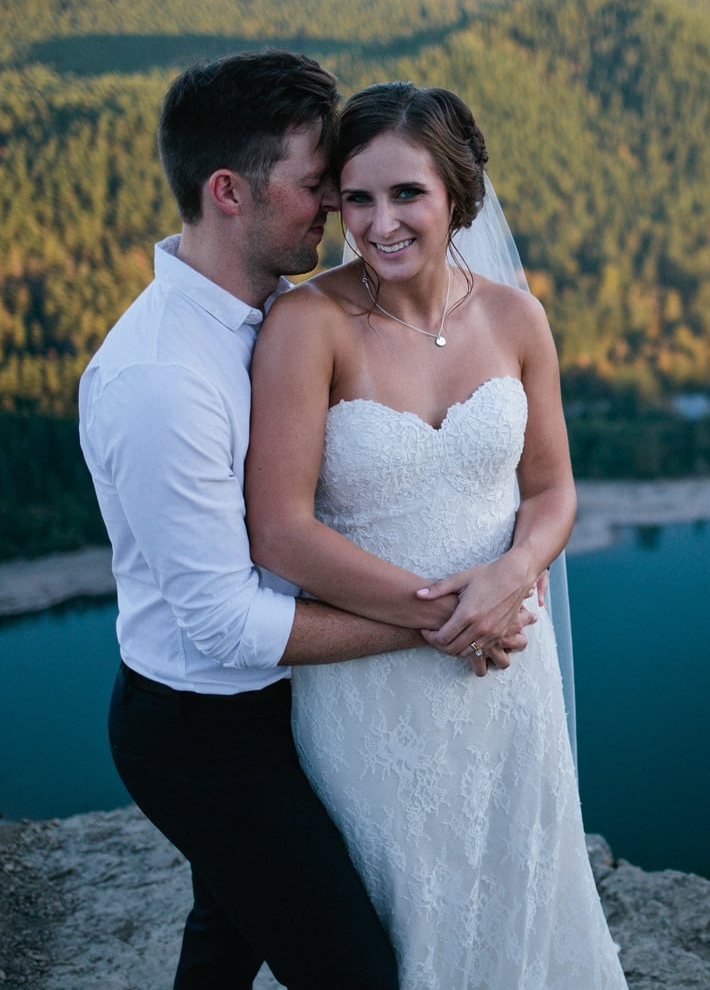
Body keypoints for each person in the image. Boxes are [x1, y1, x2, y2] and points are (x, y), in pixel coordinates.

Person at [78, 50, 531, 990]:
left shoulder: (273, 312)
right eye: (317, 187)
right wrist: (441, 622)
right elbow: (226, 625)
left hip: (293, 701)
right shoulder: (164, 382)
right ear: (229, 192)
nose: (338, 210)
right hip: (203, 730)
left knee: (227, 931)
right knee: (353, 971)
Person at [244, 82, 626, 989]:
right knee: (391, 922)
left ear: (457, 193)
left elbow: (552, 488)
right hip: (371, 687)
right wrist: (448, 614)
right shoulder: (308, 325)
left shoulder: (514, 319)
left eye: (407, 193)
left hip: (506, 674)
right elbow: (280, 532)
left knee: (515, 908)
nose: (379, 222)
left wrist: (516, 571)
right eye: (358, 196)